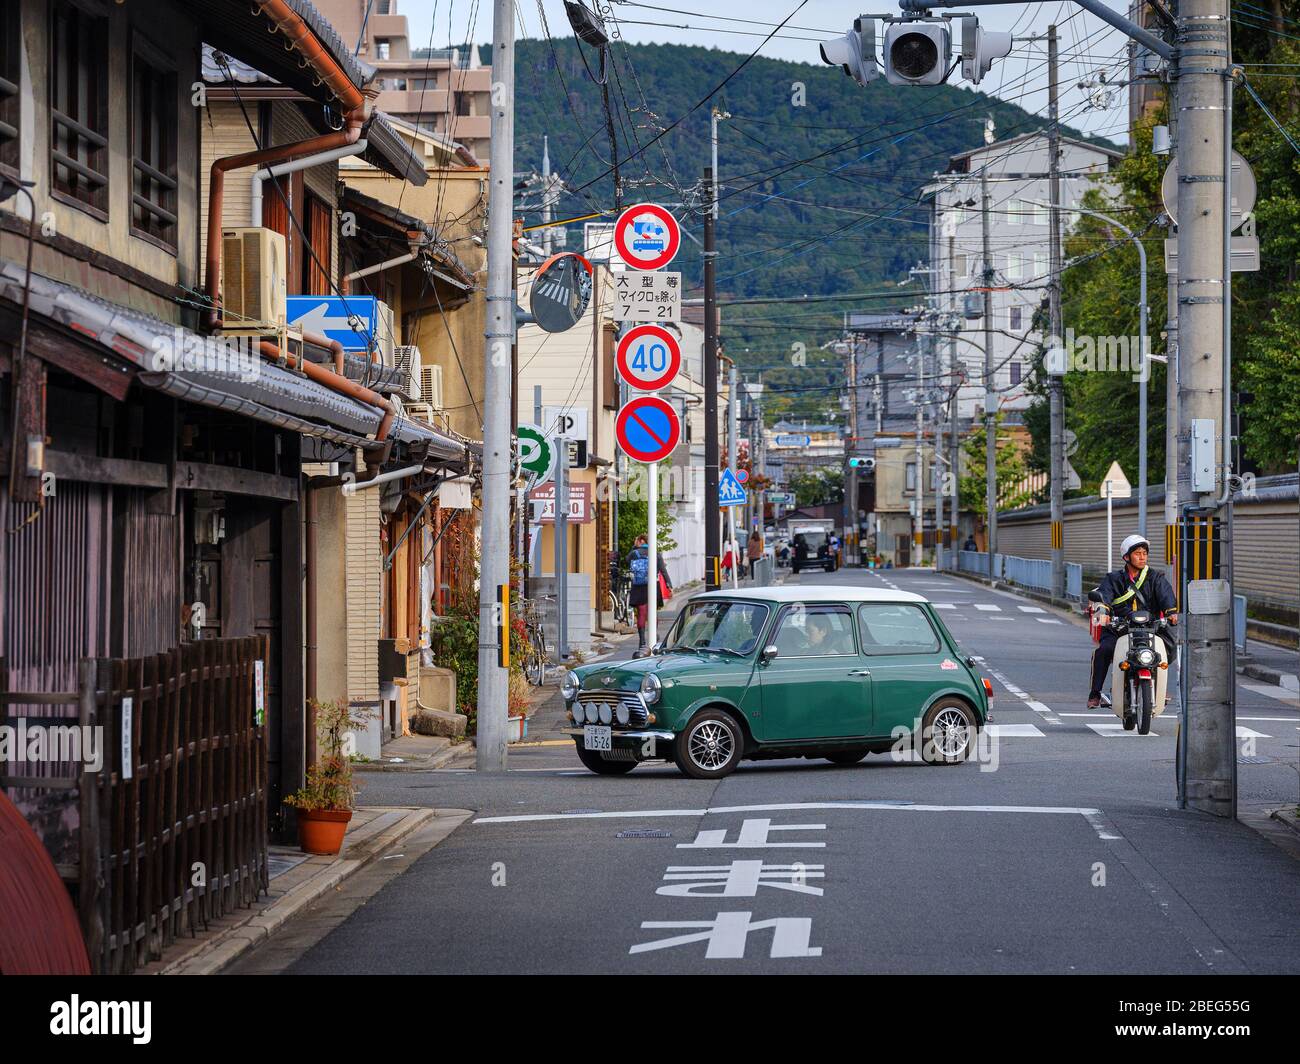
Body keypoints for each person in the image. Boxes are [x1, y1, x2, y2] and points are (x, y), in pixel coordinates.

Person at [1088, 534, 1178, 708]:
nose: (1142, 557)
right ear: (1126, 557)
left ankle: (1158, 686)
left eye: (1145, 553)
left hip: (1150, 628)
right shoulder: (1114, 578)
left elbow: (1166, 596)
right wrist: (1104, 613)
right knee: (1104, 650)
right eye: (1138, 553)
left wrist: (1171, 613)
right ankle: (1095, 693)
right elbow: (1104, 596)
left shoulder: (1155, 578)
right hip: (1119, 627)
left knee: (1169, 647)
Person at [626, 533, 671, 656]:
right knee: (652, 612)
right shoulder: (655, 553)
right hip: (652, 584)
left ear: (641, 540)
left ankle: (642, 641)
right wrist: (668, 584)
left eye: (636, 541)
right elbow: (663, 570)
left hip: (638, 584)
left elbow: (626, 561)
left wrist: (634, 548)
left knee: (641, 612)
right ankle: (654, 635)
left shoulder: (635, 553)